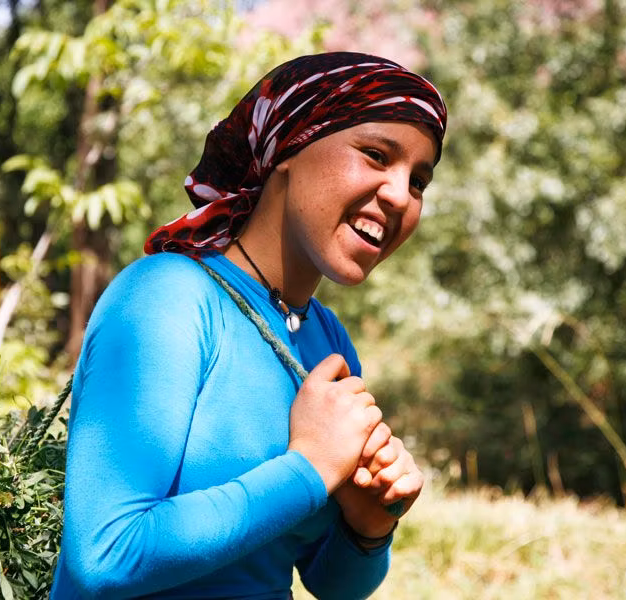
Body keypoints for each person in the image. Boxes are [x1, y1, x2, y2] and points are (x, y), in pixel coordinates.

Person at [50, 51, 447, 599]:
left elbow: (329, 583)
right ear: (290, 147)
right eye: (377, 155)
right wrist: (309, 468)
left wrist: (368, 526)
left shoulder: (328, 343)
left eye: (420, 180)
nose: (402, 195)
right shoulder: (168, 297)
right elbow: (104, 554)